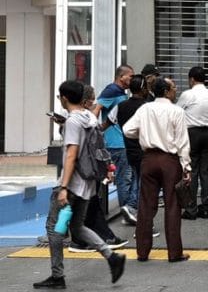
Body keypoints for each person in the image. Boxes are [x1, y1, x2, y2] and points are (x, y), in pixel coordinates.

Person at [34, 81, 126, 289]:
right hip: (87, 184)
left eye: (60, 97)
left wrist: (63, 188)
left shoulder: (74, 122)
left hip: (72, 184)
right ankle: (111, 257)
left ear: (65, 98)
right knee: (77, 225)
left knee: (53, 228)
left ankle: (57, 276)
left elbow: (72, 155)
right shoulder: (89, 117)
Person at [122, 77, 192, 262]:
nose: (175, 90)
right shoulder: (176, 111)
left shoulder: (145, 108)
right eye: (173, 88)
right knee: (172, 205)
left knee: (146, 205)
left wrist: (144, 134)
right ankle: (174, 252)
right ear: (167, 91)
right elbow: (183, 142)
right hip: (170, 160)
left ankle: (142, 252)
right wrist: (186, 167)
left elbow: (127, 129)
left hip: (149, 159)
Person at [69, 85, 128, 253]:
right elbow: (98, 146)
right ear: (86, 101)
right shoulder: (88, 119)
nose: (95, 102)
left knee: (88, 204)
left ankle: (84, 240)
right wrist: (108, 167)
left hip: (78, 169)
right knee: (90, 204)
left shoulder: (72, 119)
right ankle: (92, 239)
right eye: (93, 99)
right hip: (88, 169)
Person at [93, 65, 136, 225]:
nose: (131, 79)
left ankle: (128, 209)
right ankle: (127, 211)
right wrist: (92, 130)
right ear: (121, 76)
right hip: (117, 143)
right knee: (124, 178)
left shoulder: (121, 93)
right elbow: (97, 109)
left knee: (127, 178)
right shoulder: (111, 90)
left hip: (122, 141)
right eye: (130, 76)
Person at [177, 66, 208, 220]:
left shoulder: (187, 94)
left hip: (192, 134)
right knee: (206, 172)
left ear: (192, 79)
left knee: (191, 171)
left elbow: (177, 111)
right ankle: (206, 207)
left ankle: (191, 209)